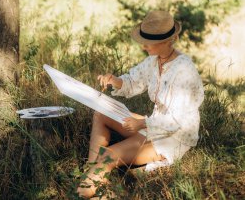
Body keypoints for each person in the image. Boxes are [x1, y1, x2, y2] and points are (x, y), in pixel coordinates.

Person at [77, 10, 205, 199]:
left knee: (109, 155)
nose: (144, 46)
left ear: (167, 41)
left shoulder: (184, 70)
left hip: (173, 137)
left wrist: (142, 123)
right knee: (101, 113)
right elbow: (133, 81)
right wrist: (115, 80)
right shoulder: (153, 61)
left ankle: (84, 191)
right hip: (154, 125)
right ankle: (92, 171)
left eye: (149, 42)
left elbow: (176, 121)